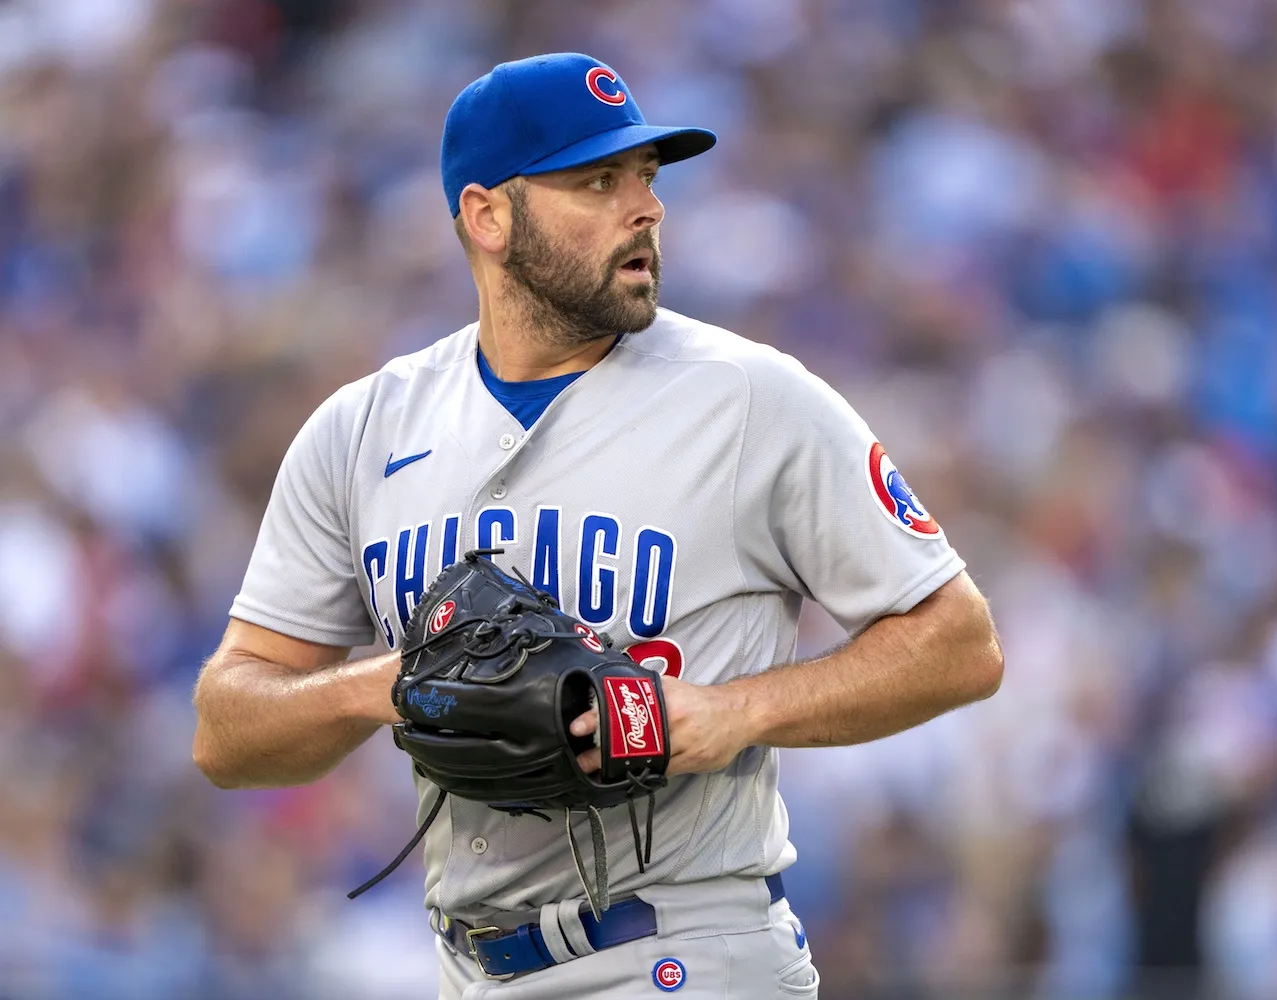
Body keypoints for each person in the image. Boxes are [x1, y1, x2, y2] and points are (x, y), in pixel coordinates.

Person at [190, 51, 1004, 999]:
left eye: (647, 178)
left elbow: (962, 644)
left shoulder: (752, 399)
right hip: (468, 967)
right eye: (597, 181)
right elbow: (225, 734)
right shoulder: (363, 431)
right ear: (487, 216)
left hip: (686, 952)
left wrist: (733, 714)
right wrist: (386, 688)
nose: (646, 207)